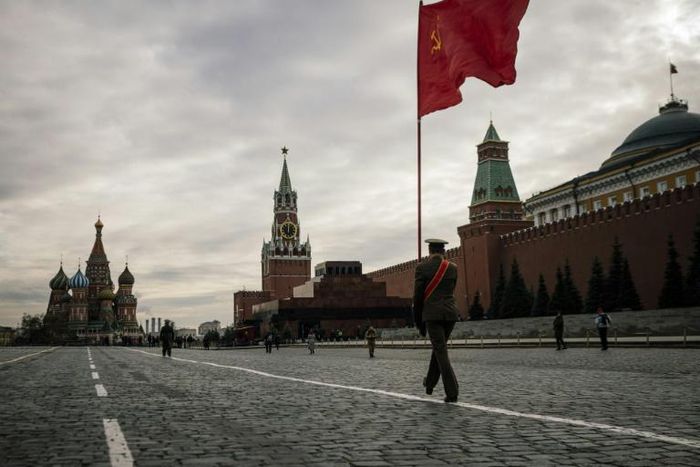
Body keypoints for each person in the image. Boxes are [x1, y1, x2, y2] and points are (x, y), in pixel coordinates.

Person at [413, 238, 459, 403]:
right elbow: (451, 291)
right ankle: (430, 384)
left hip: (432, 316)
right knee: (439, 349)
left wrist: (418, 321)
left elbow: (418, 297)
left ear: (430, 251)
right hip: (451, 315)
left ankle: (452, 391)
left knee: (441, 351)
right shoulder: (453, 268)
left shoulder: (422, 268)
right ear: (444, 251)